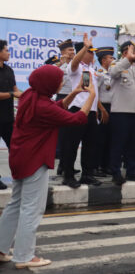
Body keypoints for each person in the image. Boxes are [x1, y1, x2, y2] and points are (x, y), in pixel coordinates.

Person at [0, 65, 95, 269]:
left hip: (20, 156)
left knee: (16, 203)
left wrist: (75, 93)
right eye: (59, 80)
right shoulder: (42, 106)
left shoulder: (29, 95)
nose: (61, 83)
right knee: (31, 208)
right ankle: (24, 256)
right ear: (48, 83)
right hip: (34, 159)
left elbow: (57, 108)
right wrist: (91, 97)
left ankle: (0, 248)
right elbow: (76, 118)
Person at [60, 34, 102, 188]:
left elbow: (93, 92)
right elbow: (74, 62)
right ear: (83, 52)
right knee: (72, 145)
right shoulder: (75, 67)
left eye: (92, 51)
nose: (93, 54)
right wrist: (84, 47)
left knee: (90, 145)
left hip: (90, 112)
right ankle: (68, 176)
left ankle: (87, 174)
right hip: (77, 110)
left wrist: (95, 109)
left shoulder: (91, 69)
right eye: (90, 51)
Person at [107, 41, 135, 185]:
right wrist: (127, 59)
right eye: (133, 51)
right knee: (118, 144)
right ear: (125, 53)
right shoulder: (116, 65)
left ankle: (131, 171)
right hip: (121, 112)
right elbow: (113, 73)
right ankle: (115, 172)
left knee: (134, 144)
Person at [0, 40, 23, 190]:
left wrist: (27, 95)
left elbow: (16, 90)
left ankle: (20, 176)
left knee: (15, 148)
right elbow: (13, 92)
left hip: (8, 118)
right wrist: (12, 94)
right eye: (6, 50)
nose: (9, 53)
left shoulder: (9, 70)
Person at [54, 39, 75, 175]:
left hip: (74, 100)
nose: (72, 52)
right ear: (63, 53)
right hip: (62, 99)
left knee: (72, 134)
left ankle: (67, 165)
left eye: (73, 50)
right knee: (62, 133)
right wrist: (60, 65)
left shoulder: (77, 65)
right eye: (70, 50)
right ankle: (61, 163)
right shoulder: (58, 67)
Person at [93, 47, 115, 177]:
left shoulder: (112, 73)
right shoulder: (99, 74)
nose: (113, 60)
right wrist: (100, 110)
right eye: (110, 58)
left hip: (113, 108)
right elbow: (95, 94)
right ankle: (95, 166)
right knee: (99, 139)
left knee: (109, 139)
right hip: (102, 108)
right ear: (103, 60)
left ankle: (105, 165)